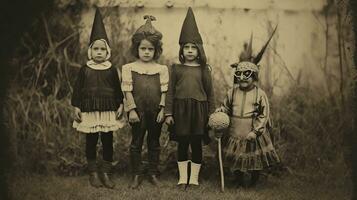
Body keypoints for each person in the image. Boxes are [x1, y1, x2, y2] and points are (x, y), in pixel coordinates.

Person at [215, 27, 280, 188]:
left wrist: (256, 131)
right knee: (236, 157)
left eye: (247, 75)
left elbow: (264, 115)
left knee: (253, 159)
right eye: (240, 74)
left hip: (252, 132)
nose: (243, 78)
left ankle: (252, 181)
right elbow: (226, 108)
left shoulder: (260, 94)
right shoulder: (232, 92)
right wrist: (220, 112)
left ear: (254, 76)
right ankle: (237, 180)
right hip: (235, 131)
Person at [71, 8, 124, 189]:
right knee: (91, 141)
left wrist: (120, 105)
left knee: (108, 140)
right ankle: (93, 173)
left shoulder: (111, 69)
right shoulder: (85, 69)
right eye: (96, 49)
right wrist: (76, 106)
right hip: (90, 109)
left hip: (108, 109)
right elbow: (77, 90)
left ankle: (106, 173)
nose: (99, 52)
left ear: (107, 51)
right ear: (90, 51)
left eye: (102, 49)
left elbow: (118, 90)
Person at [165, 7, 215, 187]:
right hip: (181, 111)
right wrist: (168, 113)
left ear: (199, 50)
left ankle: (193, 178)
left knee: (196, 144)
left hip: (199, 112)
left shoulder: (204, 70)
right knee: (182, 144)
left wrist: (212, 115)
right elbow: (170, 91)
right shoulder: (176, 69)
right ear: (182, 50)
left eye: (194, 47)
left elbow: (210, 93)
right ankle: (182, 177)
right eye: (186, 47)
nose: (190, 50)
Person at [121, 15, 168, 189]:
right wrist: (132, 110)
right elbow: (127, 91)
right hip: (138, 111)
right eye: (143, 48)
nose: (147, 52)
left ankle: (153, 173)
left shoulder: (162, 69)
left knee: (154, 143)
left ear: (156, 50)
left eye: (150, 49)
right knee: (136, 142)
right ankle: (136, 174)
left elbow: (164, 91)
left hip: (156, 112)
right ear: (137, 49)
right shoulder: (129, 68)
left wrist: (163, 109)